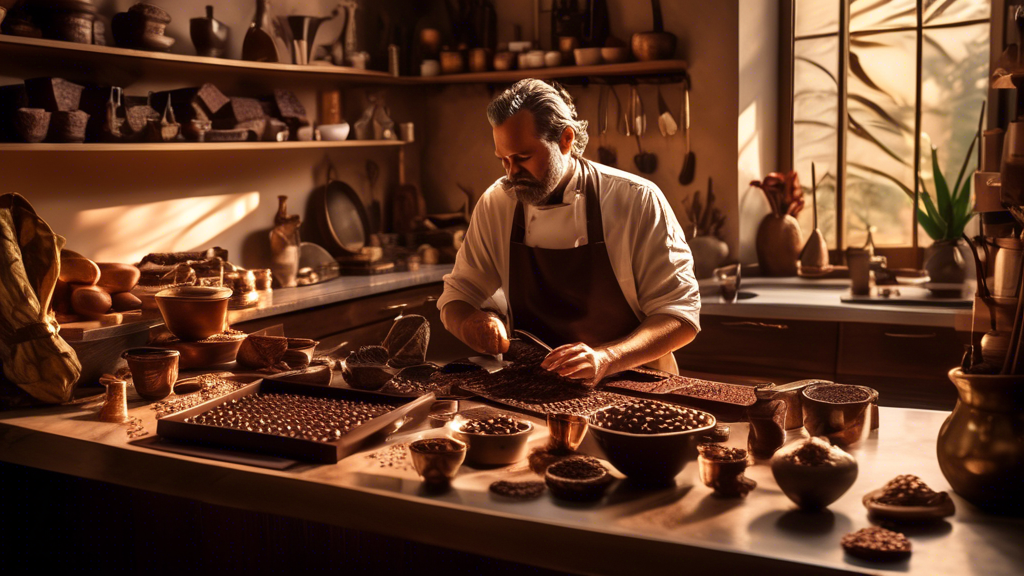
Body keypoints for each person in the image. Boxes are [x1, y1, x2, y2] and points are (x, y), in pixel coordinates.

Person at [437, 78, 700, 386]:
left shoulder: (636, 200)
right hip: (536, 387)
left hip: (636, 387)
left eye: (523, 158)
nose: (512, 173)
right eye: (504, 161)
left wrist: (606, 359)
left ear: (566, 139)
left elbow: (680, 317)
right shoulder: (497, 204)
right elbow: (457, 297)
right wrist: (471, 323)